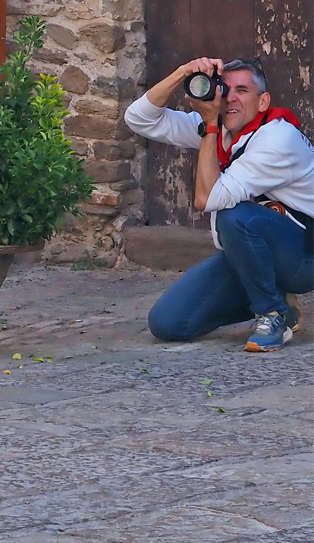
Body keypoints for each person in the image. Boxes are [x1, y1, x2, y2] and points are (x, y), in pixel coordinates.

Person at [125, 56, 314, 351]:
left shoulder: (278, 138)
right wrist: (182, 72)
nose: (231, 99)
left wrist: (210, 123)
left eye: (242, 91)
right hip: (252, 253)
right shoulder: (221, 128)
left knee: (234, 214)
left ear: (263, 102)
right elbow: (139, 118)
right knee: (168, 322)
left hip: (304, 256)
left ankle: (271, 314)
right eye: (224, 89)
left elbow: (208, 199)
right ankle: (274, 297)